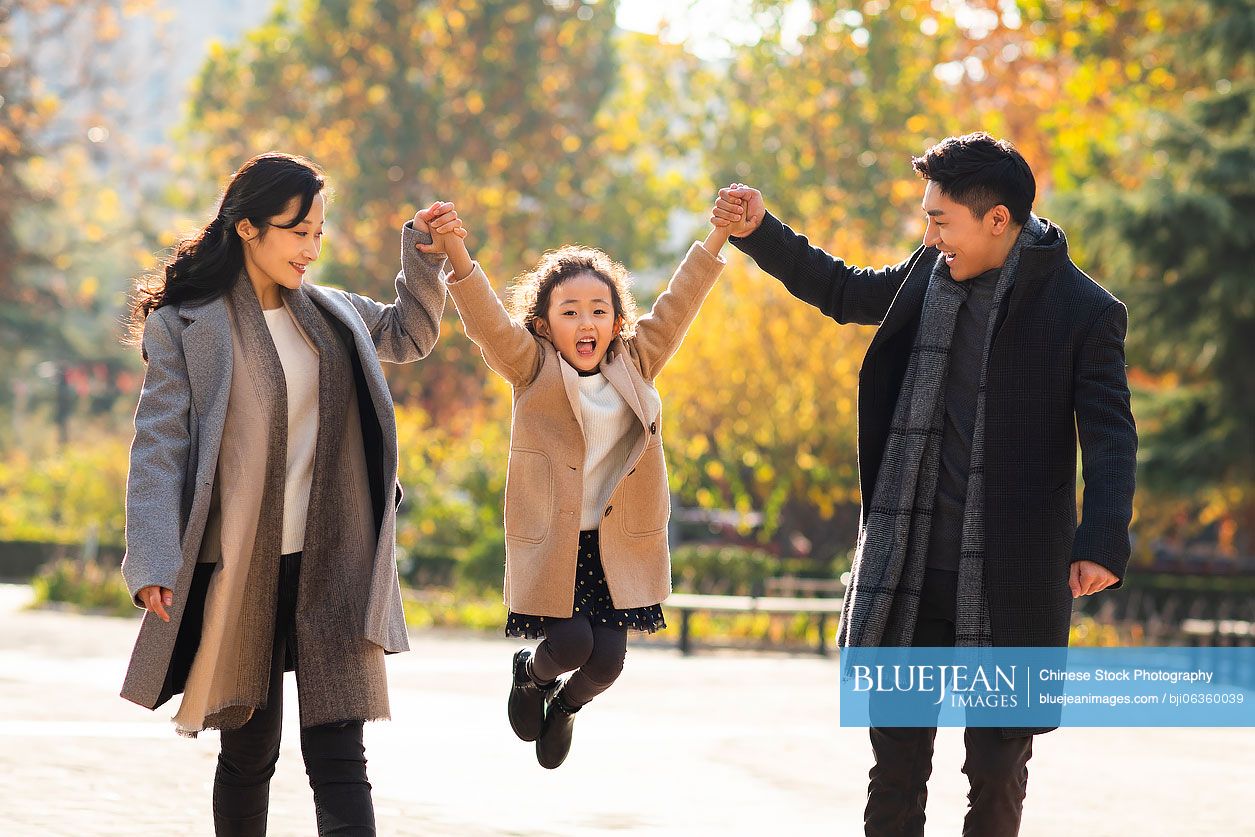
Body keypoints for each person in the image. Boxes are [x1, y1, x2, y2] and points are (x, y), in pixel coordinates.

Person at [712, 133, 1137, 836]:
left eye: (940, 219)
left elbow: (1110, 434)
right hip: (906, 573)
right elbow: (844, 290)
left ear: (995, 220)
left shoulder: (1083, 311)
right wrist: (760, 230)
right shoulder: (929, 272)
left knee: (996, 776)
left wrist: (1101, 540)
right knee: (896, 774)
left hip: (1012, 582)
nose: (929, 232)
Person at [119, 152, 463, 835]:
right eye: (297, 230)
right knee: (250, 751)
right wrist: (154, 559)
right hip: (240, 568)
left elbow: (410, 333)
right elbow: (160, 446)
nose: (310, 248)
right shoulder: (185, 324)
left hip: (333, 557)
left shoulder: (331, 313)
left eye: (318, 233)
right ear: (247, 227)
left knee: (340, 752)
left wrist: (424, 256)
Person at [427, 198, 735, 768]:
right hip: (556, 540)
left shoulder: (636, 362)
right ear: (544, 324)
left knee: (607, 661)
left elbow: (678, 304)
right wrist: (454, 250)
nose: (586, 322)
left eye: (599, 310)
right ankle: (529, 675)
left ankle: (564, 707)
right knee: (569, 644)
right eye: (569, 312)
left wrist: (718, 236)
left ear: (618, 321)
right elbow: (488, 321)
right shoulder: (531, 367)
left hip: (616, 545)